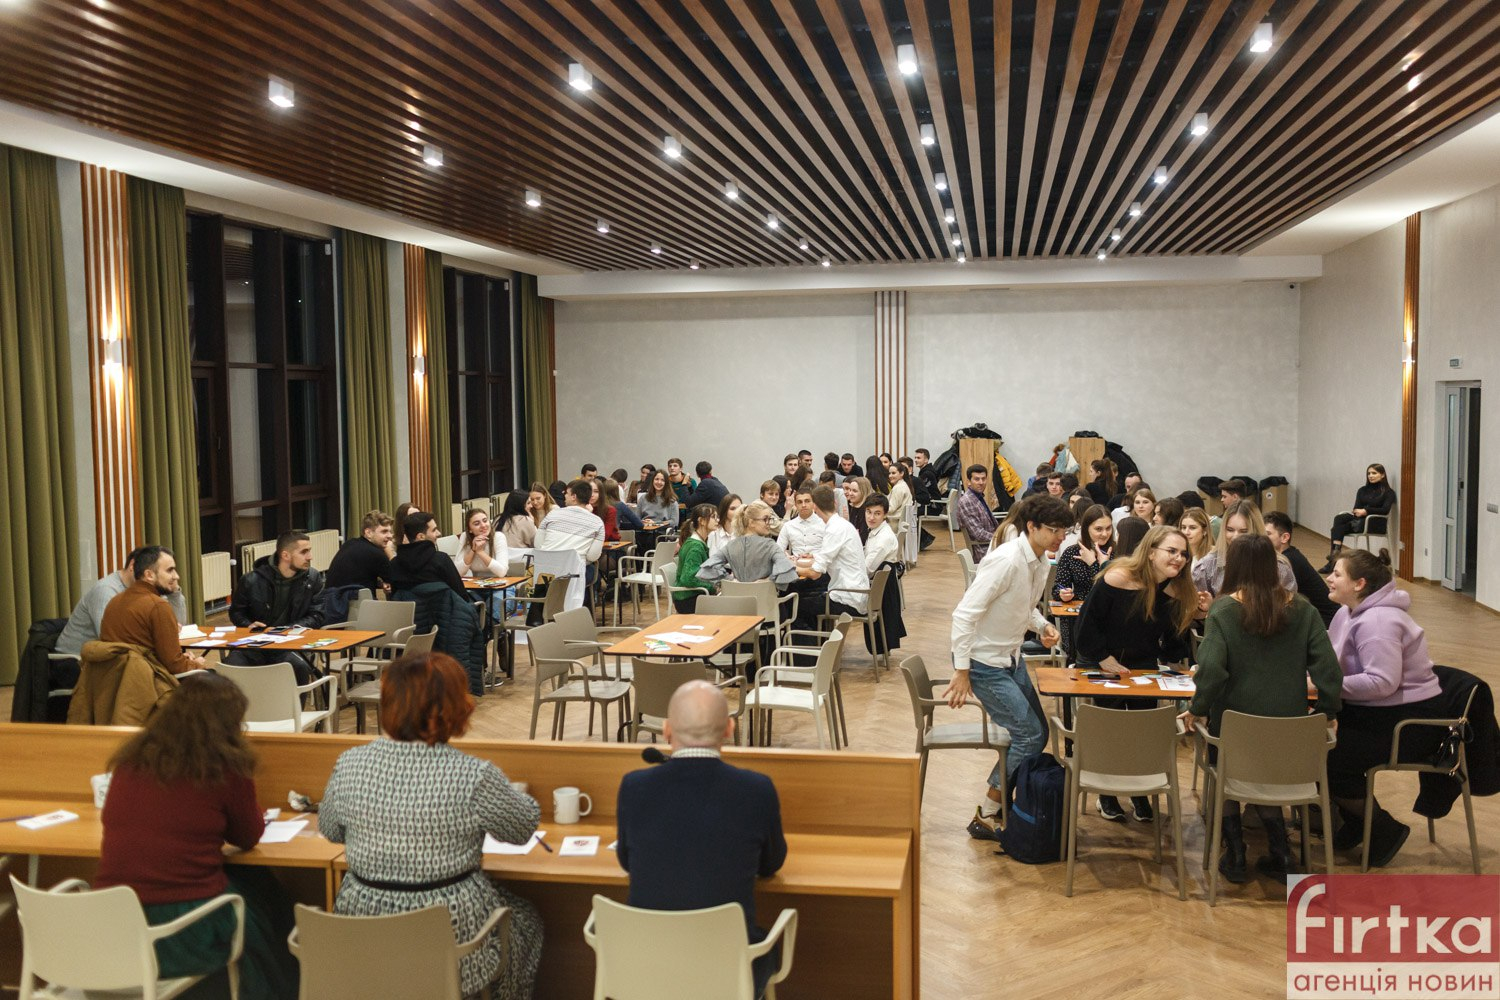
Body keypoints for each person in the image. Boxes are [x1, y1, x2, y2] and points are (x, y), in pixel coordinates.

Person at [321, 652, 542, 999]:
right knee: (527, 920)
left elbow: (331, 830)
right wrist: (518, 796)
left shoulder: (350, 764)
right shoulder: (473, 775)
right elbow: (522, 828)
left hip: (365, 934)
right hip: (449, 937)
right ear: (456, 708)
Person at [96, 672, 299, 1000]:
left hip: (113, 921)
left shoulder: (130, 761)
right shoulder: (223, 766)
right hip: (184, 927)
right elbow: (248, 836)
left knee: (254, 884)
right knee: (267, 899)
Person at [1180, 535, 1343, 882]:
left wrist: (1197, 707)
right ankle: (1281, 851)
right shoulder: (1303, 609)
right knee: (1270, 773)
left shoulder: (1223, 610)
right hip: (1290, 730)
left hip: (1234, 728)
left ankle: (1236, 852)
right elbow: (1329, 671)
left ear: (1234, 567)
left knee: (1224, 766)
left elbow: (1211, 670)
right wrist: (1327, 713)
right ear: (1273, 565)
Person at [616, 680, 787, 998]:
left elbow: (626, 862)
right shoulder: (757, 790)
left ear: (666, 731)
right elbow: (771, 864)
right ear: (730, 729)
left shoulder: (633, 787)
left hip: (646, 971)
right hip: (728, 974)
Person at [948, 494, 1070, 839]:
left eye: (1064, 530)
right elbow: (964, 614)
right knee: (1030, 735)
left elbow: (1023, 607)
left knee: (1038, 732)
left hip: (1010, 657)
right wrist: (962, 670)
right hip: (983, 662)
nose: (1061, 537)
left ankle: (1004, 803)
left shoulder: (1040, 560)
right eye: (1054, 530)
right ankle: (987, 812)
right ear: (1032, 526)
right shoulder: (1006, 561)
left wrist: (1042, 626)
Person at [1324, 549, 1448, 867]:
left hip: (1411, 723)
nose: (1329, 578)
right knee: (1316, 743)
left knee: (1326, 756)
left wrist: (1325, 686)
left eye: (1337, 574)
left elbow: (1382, 683)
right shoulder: (1348, 612)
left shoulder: (1378, 622)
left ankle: (1381, 828)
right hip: (1381, 711)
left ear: (1359, 584)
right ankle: (1358, 822)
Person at [1073, 524, 1196, 822]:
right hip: (1103, 663)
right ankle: (1107, 794)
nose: (1179, 558)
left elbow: (1171, 645)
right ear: (1151, 552)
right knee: (1112, 729)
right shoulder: (1117, 577)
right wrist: (1104, 658)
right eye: (1172, 551)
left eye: (1183, 554)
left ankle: (1140, 793)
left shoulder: (1174, 589)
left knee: (1143, 730)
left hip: (1143, 667)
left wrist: (1194, 613)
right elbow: (1086, 627)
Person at [226, 531, 326, 684]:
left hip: (291, 644)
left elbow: (317, 615)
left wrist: (286, 629)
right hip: (255, 644)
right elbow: (236, 612)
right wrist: (248, 624)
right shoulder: (251, 580)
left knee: (298, 667)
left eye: (309, 551)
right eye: (304, 552)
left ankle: (295, 701)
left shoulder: (313, 579)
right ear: (285, 555)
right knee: (230, 667)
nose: (310, 557)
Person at [57, 546, 189, 657]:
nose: (176, 575)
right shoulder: (106, 591)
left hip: (119, 658)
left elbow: (179, 624)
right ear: (133, 566)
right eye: (169, 570)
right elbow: (109, 637)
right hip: (76, 662)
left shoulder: (148, 590)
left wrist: (174, 592)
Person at [98, 545, 206, 674]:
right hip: (147, 681)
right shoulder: (157, 606)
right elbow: (175, 666)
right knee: (211, 676)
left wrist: (181, 659)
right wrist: (196, 664)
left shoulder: (115, 601)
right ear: (149, 575)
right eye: (170, 570)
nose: (176, 576)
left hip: (116, 679)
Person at [792, 485, 869, 631]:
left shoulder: (834, 529)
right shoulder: (843, 525)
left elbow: (815, 573)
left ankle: (813, 644)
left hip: (848, 598)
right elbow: (827, 559)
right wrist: (805, 561)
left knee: (795, 605)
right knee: (807, 595)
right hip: (855, 591)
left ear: (815, 506)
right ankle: (820, 640)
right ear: (835, 503)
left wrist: (792, 567)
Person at [1192, 500, 1296, 608]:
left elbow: (1290, 609)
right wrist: (1208, 608)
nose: (1235, 537)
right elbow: (1196, 611)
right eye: (1230, 530)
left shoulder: (1279, 567)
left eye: (1244, 531)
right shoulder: (1206, 567)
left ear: (1257, 531)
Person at [1052, 504, 1113, 661]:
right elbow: (1058, 586)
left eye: (1108, 528)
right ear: (1086, 529)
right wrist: (1063, 593)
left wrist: (1094, 564)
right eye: (1098, 529)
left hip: (1109, 616)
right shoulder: (1072, 552)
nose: (1104, 534)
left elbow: (1107, 590)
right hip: (1078, 616)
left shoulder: (1116, 553)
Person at [700, 500, 798, 590]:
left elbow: (707, 569)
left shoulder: (730, 546)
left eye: (770, 519)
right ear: (751, 523)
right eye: (765, 519)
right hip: (764, 600)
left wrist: (730, 581)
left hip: (736, 599)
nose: (769, 523)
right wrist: (768, 580)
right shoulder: (770, 545)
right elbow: (787, 573)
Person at [1264, 510, 1338, 626]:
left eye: (1267, 534)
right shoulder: (1289, 555)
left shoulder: (1287, 561)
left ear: (1284, 537)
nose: (1262, 538)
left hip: (1325, 622)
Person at [1320, 463, 1398, 572]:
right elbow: (1356, 507)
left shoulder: (1389, 492)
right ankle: (1334, 556)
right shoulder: (1362, 490)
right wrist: (1357, 512)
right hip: (1359, 521)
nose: (1370, 476)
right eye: (1369, 473)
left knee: (1337, 529)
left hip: (1375, 523)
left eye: (1374, 473)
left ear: (1383, 475)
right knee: (1339, 518)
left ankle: (1333, 560)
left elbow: (1385, 510)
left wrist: (1366, 511)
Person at [537, 480, 606, 580]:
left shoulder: (552, 514)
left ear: (574, 497)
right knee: (593, 571)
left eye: (567, 493)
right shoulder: (597, 522)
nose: (564, 495)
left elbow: (538, 545)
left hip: (545, 572)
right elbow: (592, 556)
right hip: (574, 574)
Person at [325, 510, 396, 600]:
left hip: (332, 601)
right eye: (384, 532)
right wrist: (390, 552)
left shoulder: (350, 543)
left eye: (390, 531)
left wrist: (381, 583)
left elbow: (359, 576)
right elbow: (398, 579)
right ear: (368, 533)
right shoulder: (376, 553)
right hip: (353, 604)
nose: (390, 536)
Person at [672, 503, 719, 612]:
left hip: (691, 596)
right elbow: (688, 579)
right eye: (713, 517)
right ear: (701, 521)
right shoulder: (695, 547)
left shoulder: (697, 542)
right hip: (687, 599)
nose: (717, 520)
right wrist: (712, 588)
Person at [955, 464, 998, 562]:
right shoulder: (967, 501)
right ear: (968, 482)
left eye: (983, 479)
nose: (981, 482)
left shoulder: (978, 497)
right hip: (983, 550)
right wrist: (1001, 538)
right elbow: (978, 534)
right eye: (977, 479)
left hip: (991, 545)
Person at [454, 507, 510, 580]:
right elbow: (458, 572)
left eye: (485, 521)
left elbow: (502, 572)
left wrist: (480, 552)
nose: (483, 525)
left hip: (499, 582)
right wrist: (473, 550)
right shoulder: (465, 537)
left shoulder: (498, 537)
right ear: (470, 529)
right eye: (477, 524)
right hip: (475, 583)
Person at [777, 483, 826, 558]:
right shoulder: (788, 526)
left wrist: (814, 556)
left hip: (819, 562)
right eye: (799, 502)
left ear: (814, 503)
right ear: (795, 505)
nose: (803, 505)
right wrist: (787, 556)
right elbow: (778, 549)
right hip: (795, 563)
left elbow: (831, 550)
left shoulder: (824, 524)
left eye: (807, 501)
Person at [842, 475, 871, 543]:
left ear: (863, 492)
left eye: (854, 491)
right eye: (850, 490)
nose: (850, 493)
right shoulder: (854, 507)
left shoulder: (866, 510)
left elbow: (862, 537)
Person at [886, 462, 913, 527]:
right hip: (900, 522)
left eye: (893, 473)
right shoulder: (903, 485)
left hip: (894, 524)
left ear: (901, 473)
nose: (890, 476)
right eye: (889, 473)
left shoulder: (898, 488)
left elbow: (891, 509)